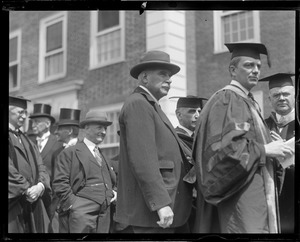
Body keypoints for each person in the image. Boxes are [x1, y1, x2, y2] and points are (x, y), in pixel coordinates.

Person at [192, 43, 294, 233]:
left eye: (258, 66)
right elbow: (224, 151)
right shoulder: (228, 99)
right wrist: (265, 150)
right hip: (241, 198)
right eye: (249, 65)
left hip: (254, 194)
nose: (255, 70)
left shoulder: (246, 100)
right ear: (232, 69)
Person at [115, 50, 193, 233]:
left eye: (170, 75)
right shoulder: (138, 104)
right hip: (152, 214)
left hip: (163, 210)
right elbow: (143, 160)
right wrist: (161, 203)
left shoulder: (151, 105)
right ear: (144, 78)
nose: (169, 79)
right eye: (163, 74)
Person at [52, 110, 117, 233]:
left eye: (105, 128)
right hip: (81, 214)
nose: (103, 132)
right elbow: (60, 183)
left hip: (104, 214)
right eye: (99, 127)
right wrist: (74, 205)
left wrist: (113, 193)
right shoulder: (70, 152)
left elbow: (111, 180)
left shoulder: (103, 156)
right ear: (86, 128)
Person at [9, 96, 51, 233]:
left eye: (25, 113)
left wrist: (40, 186)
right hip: (13, 204)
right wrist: (26, 189)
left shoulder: (27, 139)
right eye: (20, 112)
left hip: (32, 202)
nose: (24, 116)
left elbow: (41, 166)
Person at [260, 73, 295, 233]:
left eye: (286, 94)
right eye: (276, 95)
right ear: (269, 100)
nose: (281, 98)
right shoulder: (262, 127)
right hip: (269, 199)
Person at [172, 95, 208, 231]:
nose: (197, 116)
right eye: (192, 111)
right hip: (184, 204)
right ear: (179, 114)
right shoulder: (173, 138)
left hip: (204, 202)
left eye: (199, 111)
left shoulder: (204, 138)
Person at [29, 103, 64, 228]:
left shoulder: (58, 144)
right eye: (32, 122)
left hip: (51, 199)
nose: (33, 125)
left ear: (48, 124)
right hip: (31, 197)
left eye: (37, 122)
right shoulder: (28, 142)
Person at [49, 108, 81, 232]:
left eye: (60, 129)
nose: (56, 132)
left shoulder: (84, 149)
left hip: (79, 209)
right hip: (58, 209)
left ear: (70, 131)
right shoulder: (56, 153)